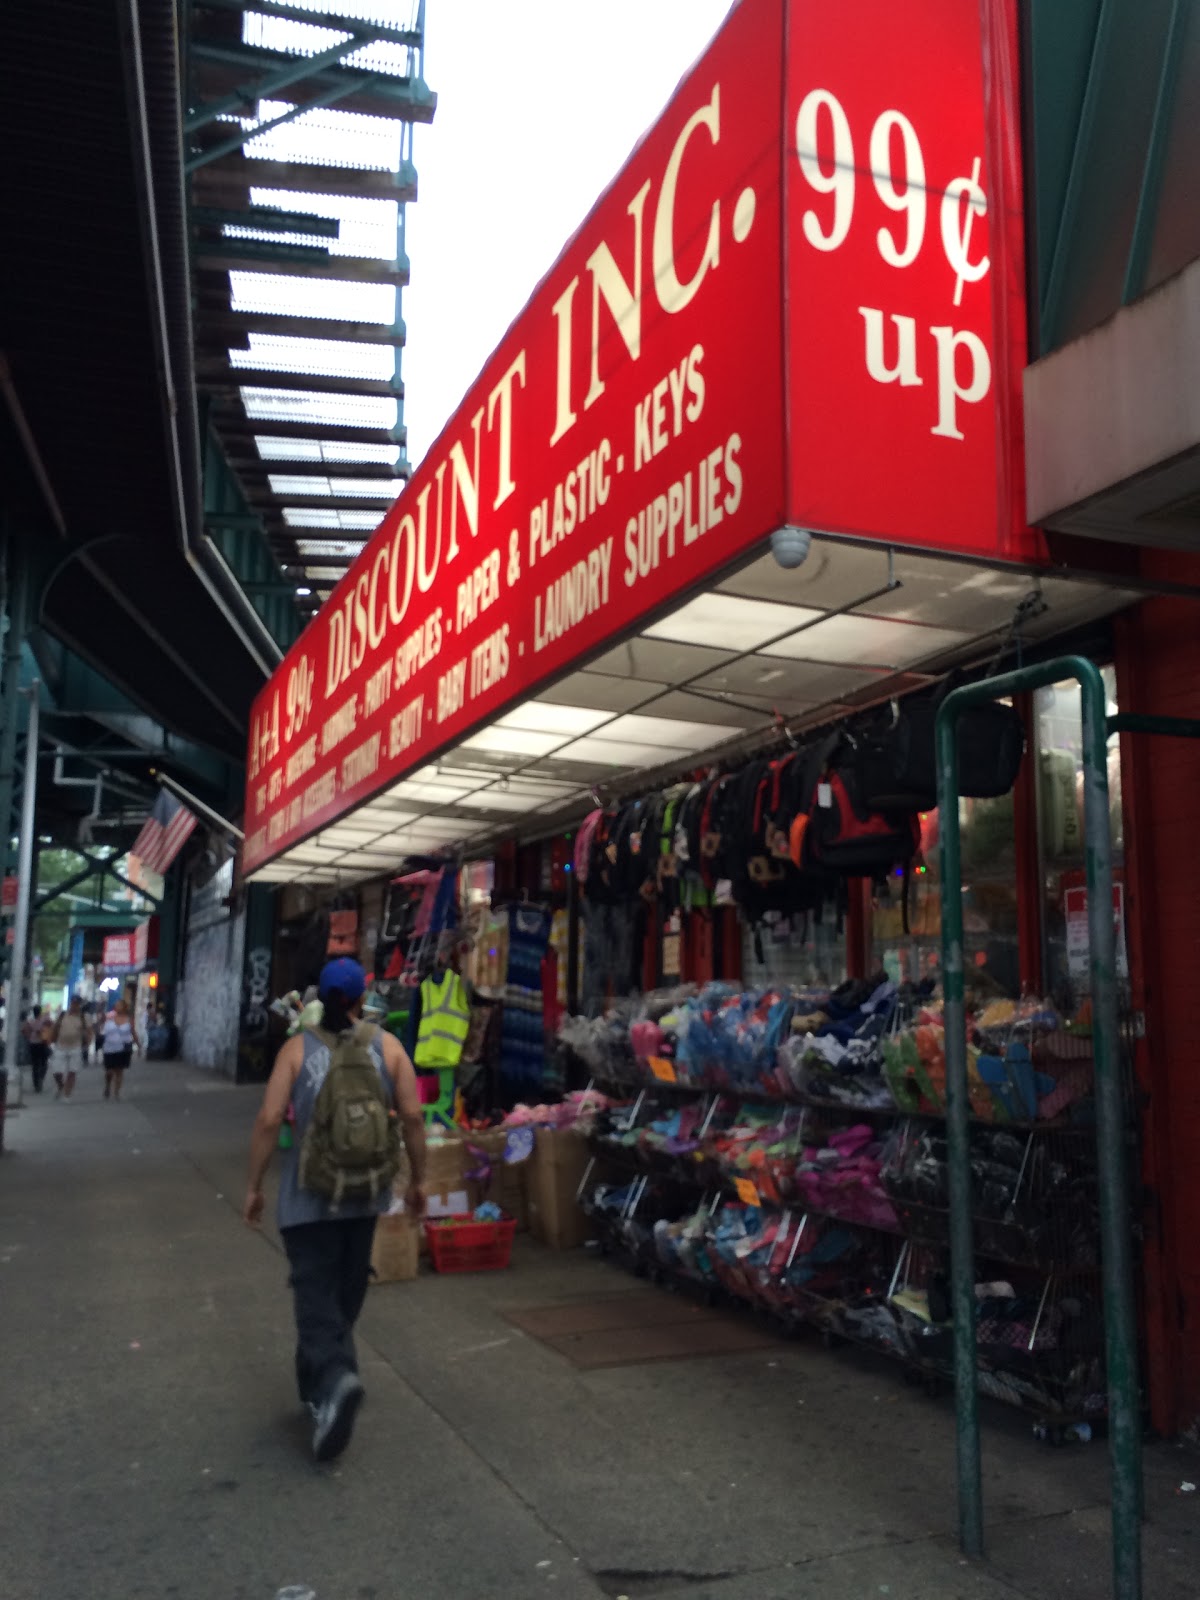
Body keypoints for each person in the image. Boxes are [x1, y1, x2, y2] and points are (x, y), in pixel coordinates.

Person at [243, 957, 426, 1463]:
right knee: (343, 1293)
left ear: (320, 999)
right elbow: (412, 1115)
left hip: (308, 1198)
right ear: (363, 999)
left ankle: (335, 1381)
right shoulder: (388, 1048)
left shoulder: (295, 1051)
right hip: (366, 1195)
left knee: (314, 1295)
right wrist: (419, 1180)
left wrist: (255, 1185)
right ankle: (321, 1384)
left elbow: (268, 1119)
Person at [51, 996, 90, 1100]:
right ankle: (61, 1086)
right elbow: (55, 1027)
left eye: (77, 1004)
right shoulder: (62, 1015)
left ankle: (67, 1094)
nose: (74, 1006)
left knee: (72, 1071)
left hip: (75, 1046)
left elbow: (88, 1031)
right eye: (73, 1003)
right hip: (60, 1046)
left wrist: (87, 1043)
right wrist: (52, 1038)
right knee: (56, 1071)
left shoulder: (83, 1017)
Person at [100, 999, 139, 1100]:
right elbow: (103, 1031)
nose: (118, 1007)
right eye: (117, 1005)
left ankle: (117, 1092)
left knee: (119, 1070)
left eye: (120, 1005)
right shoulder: (109, 1018)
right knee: (109, 1071)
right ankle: (108, 1086)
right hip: (109, 1048)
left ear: (125, 1007)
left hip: (123, 1048)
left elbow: (133, 1032)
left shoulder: (129, 1019)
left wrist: (138, 1045)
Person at [24, 1006, 50, 1094]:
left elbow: (24, 1030)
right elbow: (51, 1025)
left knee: (35, 1064)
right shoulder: (44, 1019)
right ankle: (40, 1079)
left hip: (33, 1044)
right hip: (42, 1043)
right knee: (44, 1063)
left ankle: (36, 1084)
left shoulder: (30, 1021)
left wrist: (29, 1037)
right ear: (40, 1011)